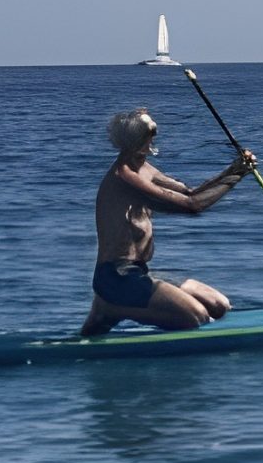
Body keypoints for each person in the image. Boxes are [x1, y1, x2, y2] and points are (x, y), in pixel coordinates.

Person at [83, 108, 253, 337]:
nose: (156, 136)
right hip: (116, 276)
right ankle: (111, 308)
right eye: (151, 132)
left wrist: (235, 168)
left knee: (219, 305)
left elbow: (190, 193)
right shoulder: (124, 177)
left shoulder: (144, 168)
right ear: (138, 141)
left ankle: (114, 305)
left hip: (137, 271)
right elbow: (192, 205)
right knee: (197, 317)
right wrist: (237, 176)